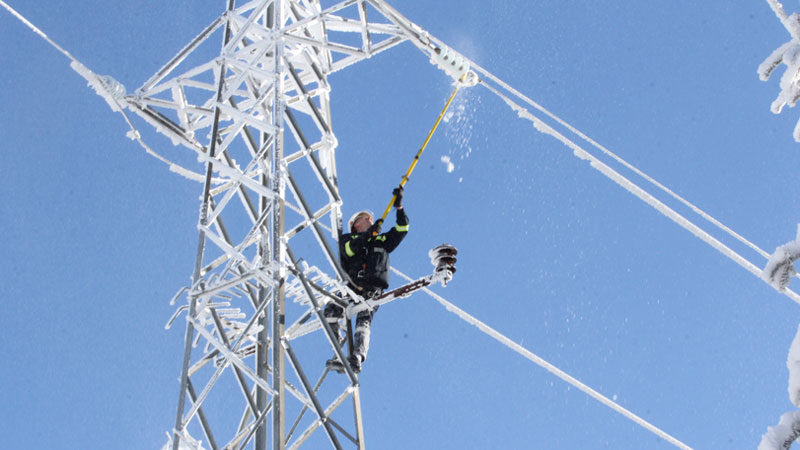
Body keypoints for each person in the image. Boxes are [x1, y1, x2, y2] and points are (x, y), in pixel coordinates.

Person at [325, 186, 409, 373]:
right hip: (353, 285)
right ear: (356, 224)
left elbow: (402, 230)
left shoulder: (381, 241)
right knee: (331, 308)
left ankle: (357, 356)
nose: (370, 220)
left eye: (371, 219)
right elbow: (348, 250)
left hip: (373, 286)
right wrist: (366, 237)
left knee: (364, 319)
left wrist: (399, 208)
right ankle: (337, 348)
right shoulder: (348, 239)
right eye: (365, 218)